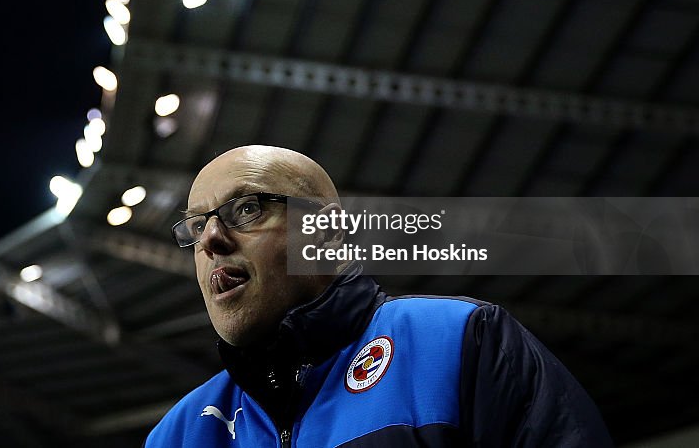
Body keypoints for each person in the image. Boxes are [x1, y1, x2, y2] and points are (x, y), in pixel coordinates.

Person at [145, 145, 612, 447]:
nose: (211, 240)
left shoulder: (458, 343)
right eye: (197, 225)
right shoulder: (179, 434)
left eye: (246, 209)